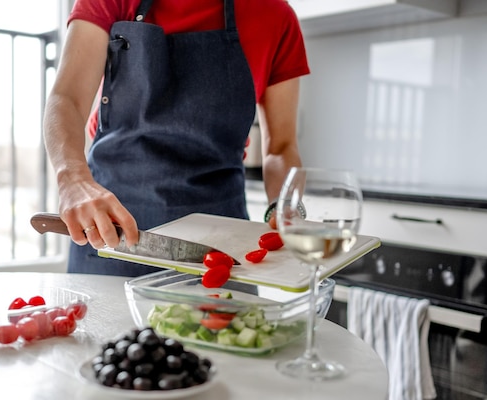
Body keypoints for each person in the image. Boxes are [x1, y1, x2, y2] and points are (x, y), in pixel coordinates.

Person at [43, 0, 310, 275]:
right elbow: (68, 98)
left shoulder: (276, 16)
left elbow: (281, 147)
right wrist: (72, 179)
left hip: (219, 249)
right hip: (111, 234)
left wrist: (285, 205)